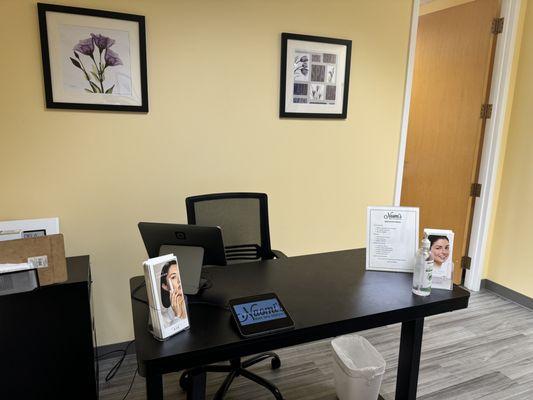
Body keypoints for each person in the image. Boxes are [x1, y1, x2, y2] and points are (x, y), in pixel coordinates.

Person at [159, 260, 187, 326]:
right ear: (165, 286)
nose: (179, 280)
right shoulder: (164, 320)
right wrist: (178, 316)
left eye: (180, 274)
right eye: (173, 277)